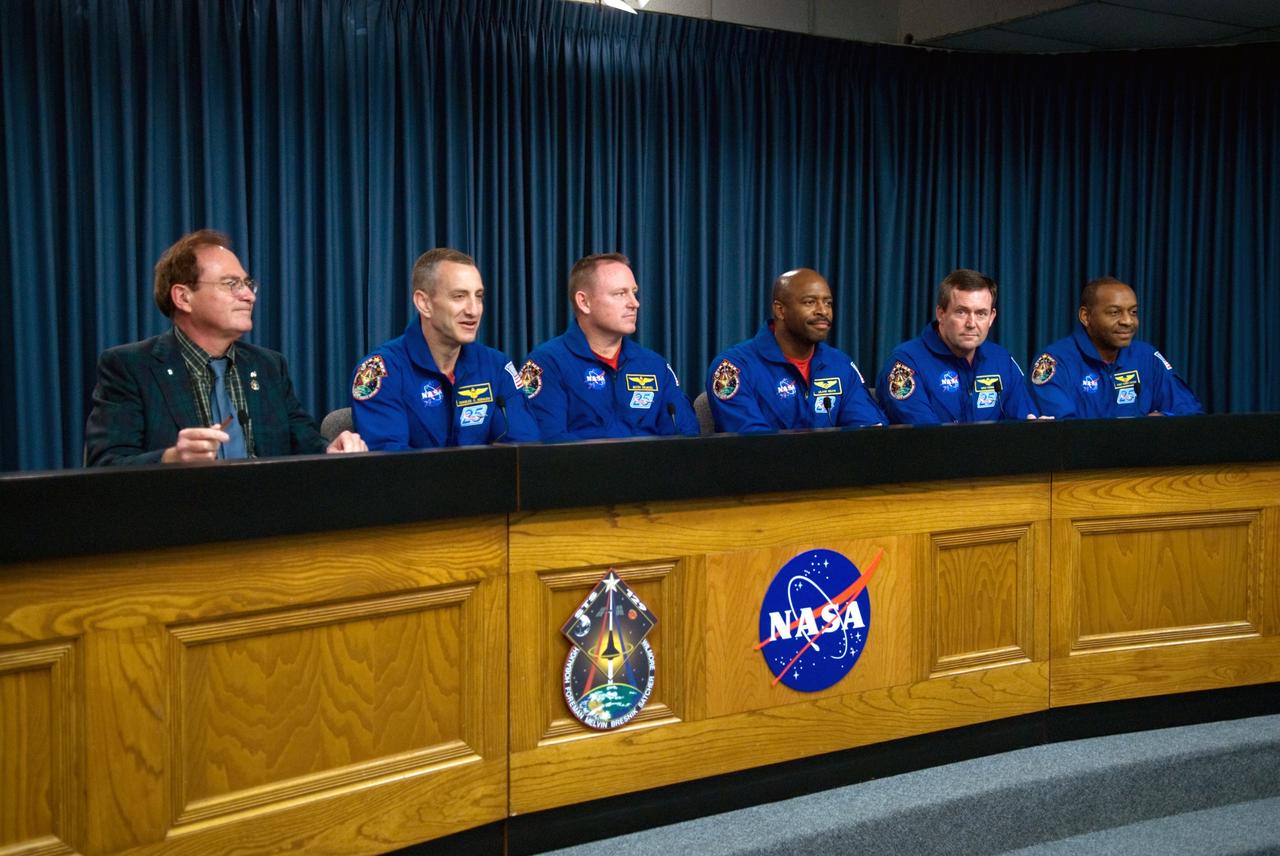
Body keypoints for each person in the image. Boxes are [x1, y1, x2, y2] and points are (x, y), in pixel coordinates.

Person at [84, 230, 365, 466]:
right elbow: (106, 464)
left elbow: (303, 440)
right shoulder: (131, 366)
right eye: (231, 284)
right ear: (183, 297)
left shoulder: (268, 366)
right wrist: (171, 458)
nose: (247, 296)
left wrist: (330, 450)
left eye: (247, 284)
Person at [351, 248, 538, 449]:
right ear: (424, 303)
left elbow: (523, 448)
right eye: (459, 296)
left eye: (479, 296)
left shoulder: (496, 366)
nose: (473, 310)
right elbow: (391, 465)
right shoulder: (381, 371)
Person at [519, 253, 699, 441]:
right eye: (620, 294)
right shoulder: (546, 364)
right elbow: (548, 445)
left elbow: (686, 437)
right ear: (584, 302)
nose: (635, 303)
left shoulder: (654, 365)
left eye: (634, 292)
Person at [705, 268, 884, 433]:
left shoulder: (839, 364)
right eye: (810, 302)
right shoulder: (733, 368)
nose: (823, 311)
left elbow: (867, 431)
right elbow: (753, 446)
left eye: (828, 303)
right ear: (780, 310)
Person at [877, 269, 1040, 424]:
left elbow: (1023, 423)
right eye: (961, 312)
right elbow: (926, 440)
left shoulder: (1001, 360)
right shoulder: (907, 363)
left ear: (991, 317)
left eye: (981, 313)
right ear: (941, 314)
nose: (971, 324)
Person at [1028, 277, 1203, 418]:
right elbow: (1064, 434)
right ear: (1085, 316)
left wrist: (1164, 419)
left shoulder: (1147, 357)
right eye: (1114, 312)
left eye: (1133, 312)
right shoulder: (1054, 362)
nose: (1127, 321)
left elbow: (1190, 412)